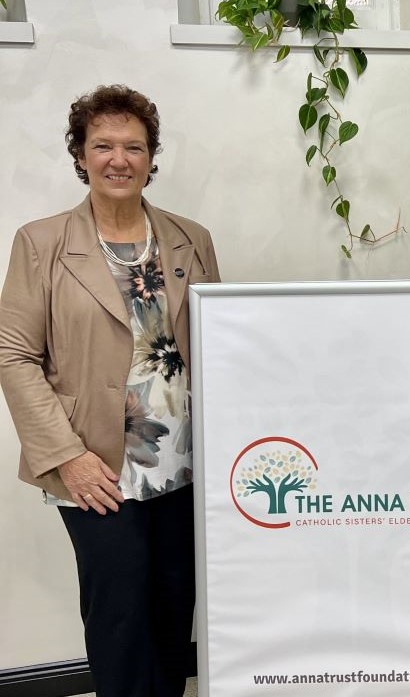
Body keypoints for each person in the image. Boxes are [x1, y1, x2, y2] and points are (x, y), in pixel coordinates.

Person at [0, 85, 221, 697]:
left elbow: (219, 342)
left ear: (152, 157)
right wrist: (66, 457)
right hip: (94, 466)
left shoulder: (190, 239)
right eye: (103, 145)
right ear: (81, 155)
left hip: (184, 466)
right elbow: (14, 354)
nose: (118, 159)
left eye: (133, 146)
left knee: (175, 612)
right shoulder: (40, 244)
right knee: (120, 619)